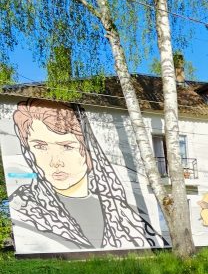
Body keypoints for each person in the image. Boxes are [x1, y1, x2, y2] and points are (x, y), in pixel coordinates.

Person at [8, 99, 167, 251]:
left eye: (66, 147)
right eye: (40, 146)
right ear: (28, 151)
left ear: (88, 151)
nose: (55, 162)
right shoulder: (24, 209)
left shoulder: (120, 212)